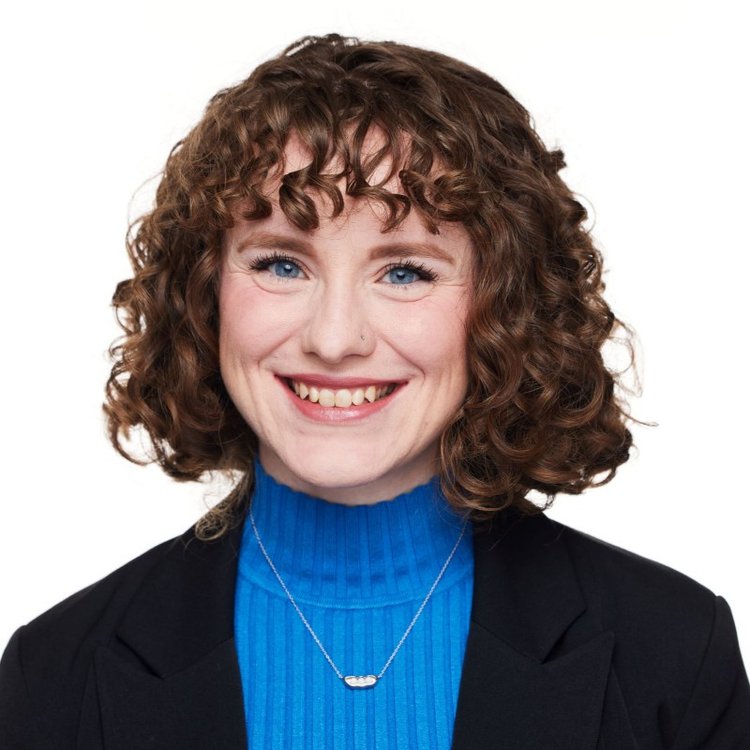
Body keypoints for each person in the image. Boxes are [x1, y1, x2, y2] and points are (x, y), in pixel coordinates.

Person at [1, 32, 748, 749]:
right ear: (204, 295)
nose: (335, 339)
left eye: (405, 272)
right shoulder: (53, 677)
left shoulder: (675, 656)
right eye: (281, 264)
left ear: (506, 308)